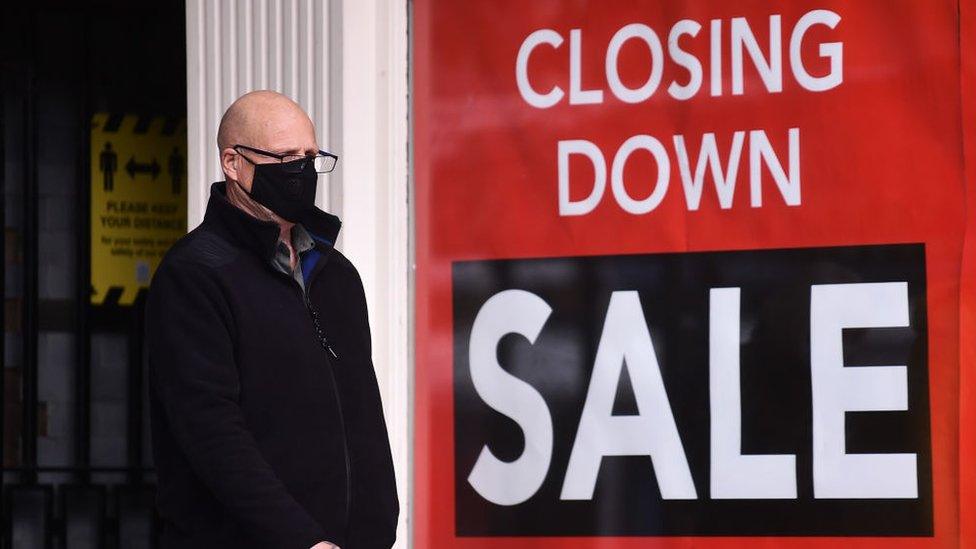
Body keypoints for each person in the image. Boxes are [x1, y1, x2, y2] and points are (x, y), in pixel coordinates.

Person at [146, 90, 398, 549]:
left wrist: (379, 526)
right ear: (232, 162)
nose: (301, 171)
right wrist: (302, 540)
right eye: (284, 158)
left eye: (310, 156)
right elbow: (212, 433)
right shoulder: (195, 275)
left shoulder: (337, 276)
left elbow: (364, 416)